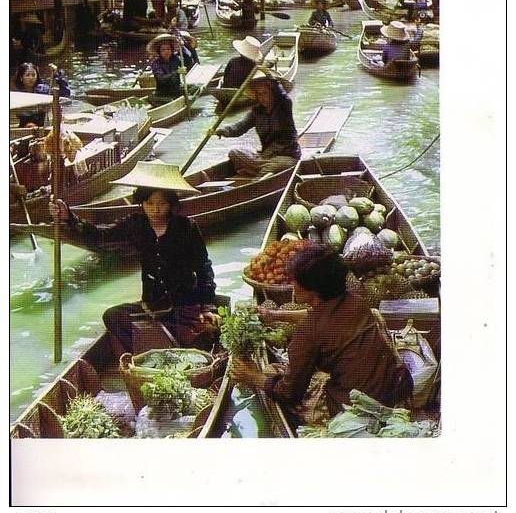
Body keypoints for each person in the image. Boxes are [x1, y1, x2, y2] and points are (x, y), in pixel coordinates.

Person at [230, 243, 413, 425]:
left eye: (295, 281)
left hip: (362, 409)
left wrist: (254, 376)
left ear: (313, 290)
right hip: (399, 387)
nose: (292, 285)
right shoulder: (355, 300)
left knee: (271, 372)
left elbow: (289, 394)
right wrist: (274, 315)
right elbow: (322, 318)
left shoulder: (307, 334)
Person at [50, 168, 220, 354]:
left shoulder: (186, 227)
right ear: (142, 203)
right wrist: (69, 217)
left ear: (171, 204)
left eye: (162, 204)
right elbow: (101, 235)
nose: (155, 209)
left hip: (185, 305)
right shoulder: (135, 224)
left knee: (209, 334)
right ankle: (149, 352)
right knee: (113, 316)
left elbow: (204, 268)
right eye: (149, 203)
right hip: (152, 305)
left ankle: (164, 344)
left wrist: (207, 307)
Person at [215, 72, 301, 177]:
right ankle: (257, 170)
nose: (262, 97)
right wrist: (224, 131)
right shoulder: (257, 112)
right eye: (259, 94)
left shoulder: (284, 105)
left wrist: (266, 73)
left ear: (273, 92)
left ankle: (256, 172)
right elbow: (240, 127)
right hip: (265, 157)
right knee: (234, 153)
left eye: (265, 93)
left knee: (271, 167)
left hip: (287, 157)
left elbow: (282, 94)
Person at [12, 62, 71, 127]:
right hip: (25, 127)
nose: (31, 78)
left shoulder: (43, 90)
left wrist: (56, 75)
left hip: (43, 126)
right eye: (27, 75)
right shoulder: (18, 95)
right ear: (21, 78)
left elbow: (65, 94)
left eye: (33, 75)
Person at [146, 33, 192, 100]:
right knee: (152, 98)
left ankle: (182, 98)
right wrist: (177, 72)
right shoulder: (156, 63)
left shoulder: (175, 59)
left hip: (176, 90)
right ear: (159, 52)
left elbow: (188, 62)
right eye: (163, 50)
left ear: (171, 50)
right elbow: (161, 79)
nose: (166, 52)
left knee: (195, 87)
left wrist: (182, 48)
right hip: (164, 93)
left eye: (168, 49)